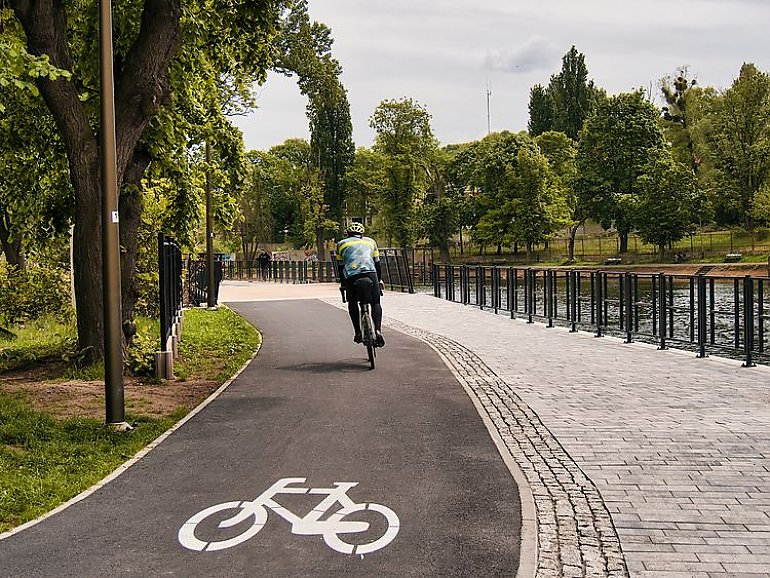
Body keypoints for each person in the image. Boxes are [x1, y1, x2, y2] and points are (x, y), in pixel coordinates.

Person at [335, 222, 385, 346]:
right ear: (362, 233)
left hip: (352, 275)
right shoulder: (371, 242)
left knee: (352, 303)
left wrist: (343, 284)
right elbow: (377, 263)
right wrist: (379, 280)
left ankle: (357, 332)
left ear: (348, 234)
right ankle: (378, 330)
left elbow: (340, 267)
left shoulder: (341, 244)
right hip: (371, 273)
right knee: (376, 302)